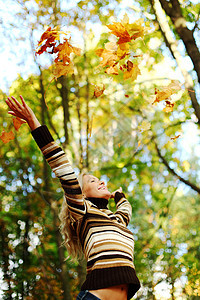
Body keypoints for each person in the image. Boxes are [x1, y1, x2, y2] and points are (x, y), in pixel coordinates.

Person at [6, 95, 140, 300]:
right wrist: (34, 122)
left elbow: (125, 210)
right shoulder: (83, 212)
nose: (101, 182)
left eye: (100, 180)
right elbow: (63, 168)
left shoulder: (116, 220)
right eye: (93, 181)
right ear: (82, 193)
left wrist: (119, 195)